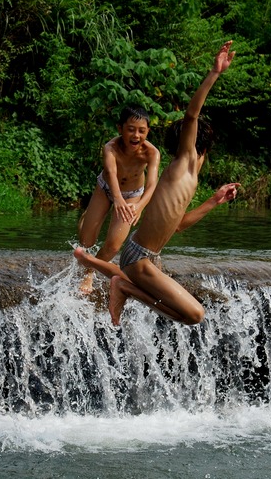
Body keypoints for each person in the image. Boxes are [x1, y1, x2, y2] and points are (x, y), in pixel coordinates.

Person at [74, 40, 236, 326]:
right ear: (203, 148)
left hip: (146, 256)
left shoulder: (189, 180)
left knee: (187, 316)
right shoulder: (185, 161)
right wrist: (214, 73)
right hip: (140, 257)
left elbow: (179, 224)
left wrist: (214, 201)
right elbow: (191, 115)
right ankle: (119, 283)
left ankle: (105, 271)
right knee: (196, 314)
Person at [77, 105, 161, 294]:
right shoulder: (111, 147)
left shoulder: (151, 153)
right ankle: (86, 218)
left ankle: (89, 272)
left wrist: (139, 207)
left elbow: (152, 184)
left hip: (132, 196)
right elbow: (111, 173)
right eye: (130, 129)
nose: (136, 136)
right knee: (86, 241)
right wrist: (116, 199)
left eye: (141, 131)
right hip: (106, 188)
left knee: (114, 245)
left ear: (148, 131)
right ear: (120, 128)